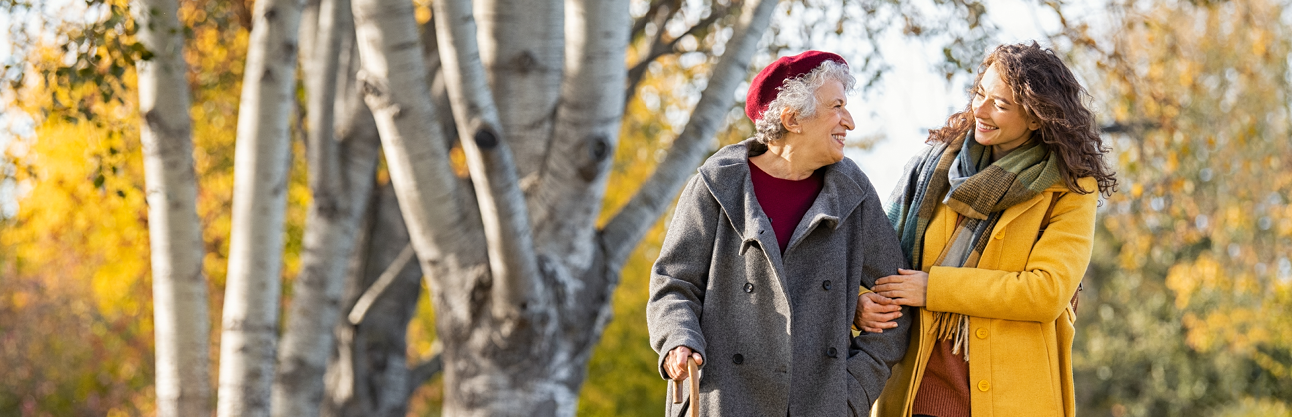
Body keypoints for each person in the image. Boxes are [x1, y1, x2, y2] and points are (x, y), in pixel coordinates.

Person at [854, 42, 1118, 417]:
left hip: (1016, 400)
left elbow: (1045, 291)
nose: (979, 109)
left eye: (1000, 104)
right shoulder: (933, 170)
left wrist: (935, 289)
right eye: (980, 93)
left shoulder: (1069, 189)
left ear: (1036, 118)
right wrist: (860, 305)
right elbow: (877, 264)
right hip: (917, 391)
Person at [646, 50, 911, 417]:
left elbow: (898, 301)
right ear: (792, 118)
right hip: (722, 402)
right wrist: (678, 340)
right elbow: (673, 284)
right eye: (836, 107)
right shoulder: (716, 186)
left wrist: (849, 397)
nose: (848, 121)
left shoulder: (854, 193)